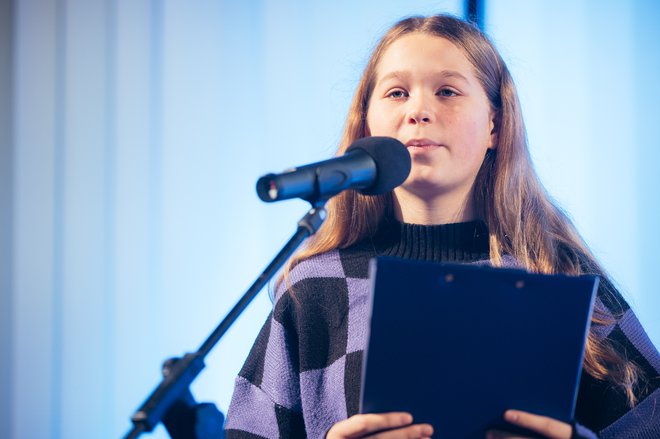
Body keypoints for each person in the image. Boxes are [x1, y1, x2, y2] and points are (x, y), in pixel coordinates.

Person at [224, 14, 660, 439]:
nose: (418, 110)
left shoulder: (562, 277)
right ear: (367, 123)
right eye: (396, 93)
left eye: (447, 91)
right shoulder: (315, 286)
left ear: (495, 123)